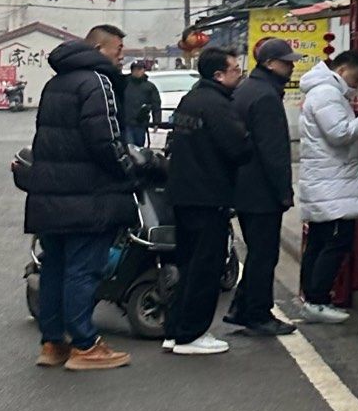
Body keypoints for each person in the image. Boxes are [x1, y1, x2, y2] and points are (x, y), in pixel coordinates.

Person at [23, 23, 143, 371]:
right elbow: (105, 140)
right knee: (83, 269)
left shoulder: (56, 82)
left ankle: (53, 343)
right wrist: (127, 170)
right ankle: (86, 345)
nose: (122, 56)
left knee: (55, 267)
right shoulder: (97, 81)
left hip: (51, 193)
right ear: (100, 49)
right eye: (119, 49)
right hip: (88, 194)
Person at [162, 44, 251, 355]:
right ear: (218, 74)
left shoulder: (192, 99)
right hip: (207, 194)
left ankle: (175, 330)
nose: (239, 75)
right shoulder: (216, 104)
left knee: (188, 265)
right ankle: (192, 335)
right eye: (235, 70)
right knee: (206, 268)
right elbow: (237, 148)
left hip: (184, 193)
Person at [295, 49, 358, 322]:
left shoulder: (323, 92)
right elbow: (340, 133)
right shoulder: (327, 93)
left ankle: (311, 299)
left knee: (320, 241)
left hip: (327, 181)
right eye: (357, 76)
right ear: (342, 69)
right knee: (335, 242)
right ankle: (317, 300)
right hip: (332, 183)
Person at [231, 38, 299, 337]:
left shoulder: (247, 89)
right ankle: (258, 313)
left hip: (244, 186)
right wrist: (284, 191)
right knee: (264, 254)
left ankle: (243, 307)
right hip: (260, 190)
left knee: (259, 252)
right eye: (286, 62)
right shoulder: (266, 96)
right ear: (270, 63)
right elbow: (274, 152)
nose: (291, 66)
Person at [119, 61, 162, 147]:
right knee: (129, 146)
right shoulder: (124, 84)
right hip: (126, 122)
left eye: (139, 69)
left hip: (141, 123)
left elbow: (156, 104)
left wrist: (156, 122)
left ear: (144, 70)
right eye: (135, 69)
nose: (137, 72)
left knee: (139, 147)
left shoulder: (150, 87)